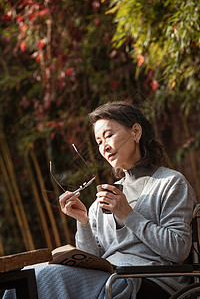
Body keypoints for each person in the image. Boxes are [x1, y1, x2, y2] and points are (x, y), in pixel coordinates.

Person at [3, 101, 196, 299]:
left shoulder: (170, 183)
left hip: (150, 281)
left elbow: (178, 250)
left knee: (48, 277)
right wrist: (83, 221)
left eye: (108, 135)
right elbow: (91, 261)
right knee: (29, 276)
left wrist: (128, 215)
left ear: (136, 132)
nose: (104, 147)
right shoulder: (102, 201)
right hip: (109, 279)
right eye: (99, 142)